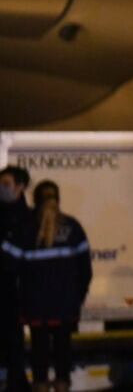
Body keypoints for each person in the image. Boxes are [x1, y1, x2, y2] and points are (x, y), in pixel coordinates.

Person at [4, 181, 90, 392]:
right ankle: (62, 385)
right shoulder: (73, 228)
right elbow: (85, 271)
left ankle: (40, 385)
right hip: (65, 306)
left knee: (39, 354)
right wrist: (77, 298)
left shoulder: (25, 230)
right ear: (58, 199)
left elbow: (9, 266)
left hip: (35, 307)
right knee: (63, 352)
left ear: (35, 200)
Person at [0, 167, 32, 392]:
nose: (1, 189)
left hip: (14, 295)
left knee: (14, 349)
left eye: (6, 184)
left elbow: (21, 257)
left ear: (20, 187)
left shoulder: (27, 219)